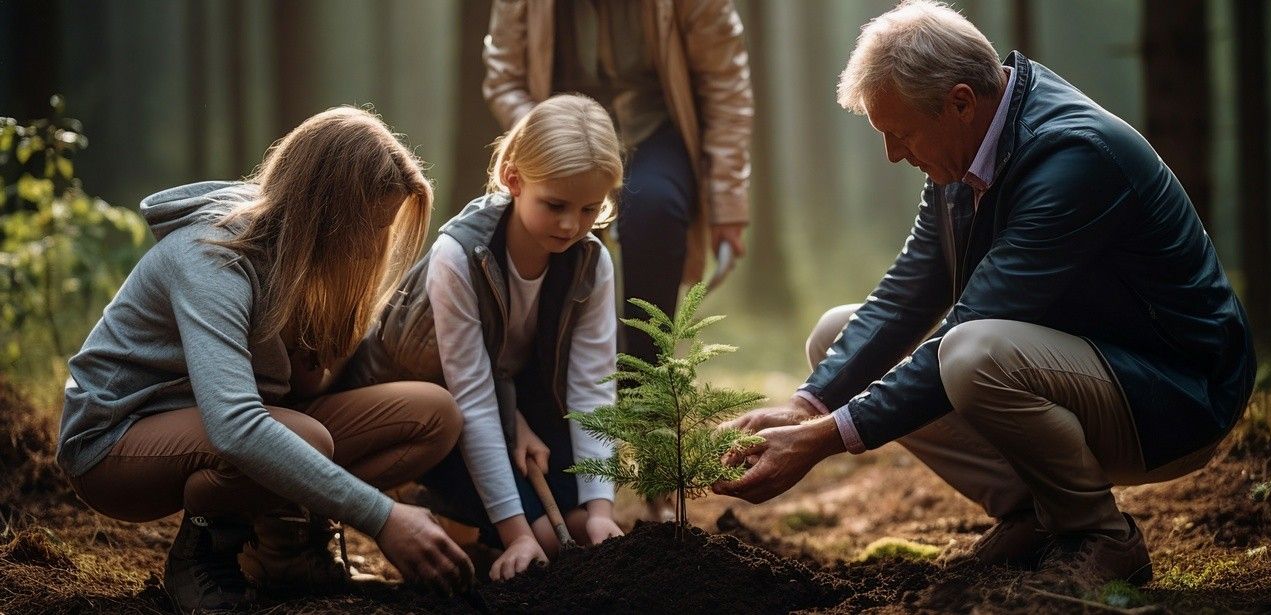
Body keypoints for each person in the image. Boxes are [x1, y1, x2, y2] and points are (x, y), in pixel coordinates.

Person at [714, 0, 1255, 592]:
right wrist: (809, 407)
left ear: (961, 102)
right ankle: (1030, 516)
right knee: (834, 335)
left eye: (900, 134)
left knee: (972, 352)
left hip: (1179, 396)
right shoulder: (963, 156)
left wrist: (823, 440)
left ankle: (1099, 536)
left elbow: (975, 323)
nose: (894, 153)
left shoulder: (1072, 158)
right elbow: (905, 296)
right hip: (1092, 370)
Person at [56, 107, 475, 614]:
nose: (370, 249)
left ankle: (285, 552)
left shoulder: (298, 261)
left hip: (221, 422)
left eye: (380, 230)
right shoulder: (214, 258)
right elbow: (235, 424)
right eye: (364, 228)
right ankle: (204, 552)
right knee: (307, 438)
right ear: (320, 210)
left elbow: (300, 388)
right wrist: (382, 517)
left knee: (433, 416)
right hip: (114, 444)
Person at [482, 0, 753, 522]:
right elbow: (505, 74)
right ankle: (559, 458)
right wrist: (545, 139)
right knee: (559, 269)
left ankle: (652, 437)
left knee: (655, 211)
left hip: (655, 132)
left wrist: (728, 205)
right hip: (559, 139)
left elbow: (726, 86)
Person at [338, 94, 626, 581]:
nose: (571, 225)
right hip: (433, 408)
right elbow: (469, 395)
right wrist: (517, 534)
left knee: (579, 531)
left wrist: (601, 509)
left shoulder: (590, 262)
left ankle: (486, 523)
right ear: (513, 179)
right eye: (555, 205)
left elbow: (592, 386)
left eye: (588, 209)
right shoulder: (459, 256)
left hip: (512, 398)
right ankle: (429, 499)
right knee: (547, 542)